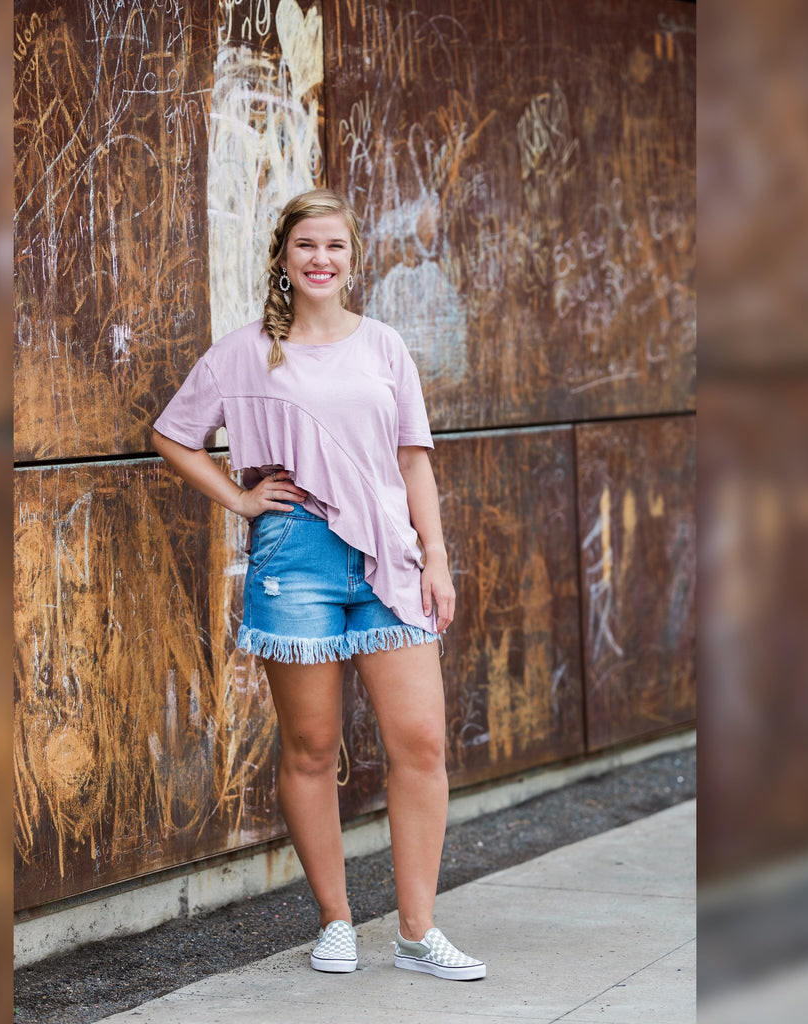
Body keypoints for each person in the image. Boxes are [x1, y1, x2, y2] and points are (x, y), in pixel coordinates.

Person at [151, 189, 485, 981]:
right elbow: (171, 433)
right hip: (294, 555)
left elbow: (413, 459)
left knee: (423, 745)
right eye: (306, 246)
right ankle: (336, 921)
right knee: (311, 748)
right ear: (284, 258)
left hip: (387, 558)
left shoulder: (384, 346)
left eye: (334, 246)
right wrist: (238, 498)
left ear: (351, 256)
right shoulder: (245, 354)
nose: (321, 260)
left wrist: (436, 557)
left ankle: (415, 931)